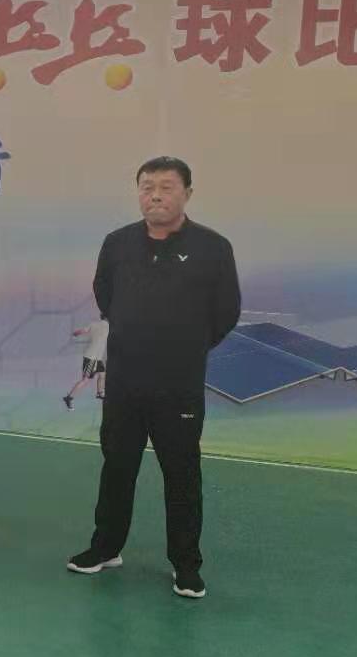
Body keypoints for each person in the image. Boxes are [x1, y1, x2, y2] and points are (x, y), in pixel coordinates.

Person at [67, 156, 240, 600]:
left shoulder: (213, 247)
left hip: (178, 386)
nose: (155, 195)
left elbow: (226, 312)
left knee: (181, 475)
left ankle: (185, 564)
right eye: (147, 187)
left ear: (187, 193)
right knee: (117, 467)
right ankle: (105, 547)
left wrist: (185, 347)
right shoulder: (117, 243)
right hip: (123, 382)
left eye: (166, 187)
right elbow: (105, 293)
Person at [64, 317, 109, 409]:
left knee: (102, 375)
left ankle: (99, 393)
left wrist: (75, 333)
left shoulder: (94, 324)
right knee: (85, 380)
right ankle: (69, 397)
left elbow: (82, 331)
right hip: (91, 358)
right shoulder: (107, 326)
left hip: (97, 358)